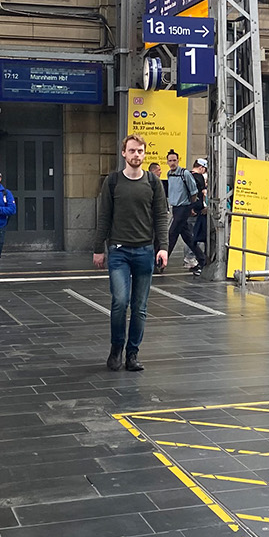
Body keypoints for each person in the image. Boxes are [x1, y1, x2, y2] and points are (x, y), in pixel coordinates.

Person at [93, 133, 168, 372]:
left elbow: (161, 216)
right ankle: (116, 348)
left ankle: (132, 353)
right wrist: (98, 248)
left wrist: (163, 247)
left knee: (140, 307)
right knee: (120, 301)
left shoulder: (153, 182)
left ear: (144, 154)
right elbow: (104, 216)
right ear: (124, 153)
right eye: (132, 150)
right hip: (119, 252)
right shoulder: (113, 181)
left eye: (140, 151)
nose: (136, 155)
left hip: (145, 251)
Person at [164, 149, 206, 275]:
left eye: (174, 160)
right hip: (176, 207)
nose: (172, 163)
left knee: (172, 234)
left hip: (183, 207)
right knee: (187, 237)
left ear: (178, 160)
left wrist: (190, 206)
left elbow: (193, 191)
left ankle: (161, 262)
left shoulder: (185, 174)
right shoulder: (169, 174)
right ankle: (202, 259)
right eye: (170, 160)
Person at [190, 158, 210, 270]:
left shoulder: (188, 175)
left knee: (188, 234)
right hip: (197, 209)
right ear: (201, 167)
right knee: (196, 235)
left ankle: (194, 258)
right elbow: (201, 194)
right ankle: (197, 258)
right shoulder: (199, 177)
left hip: (186, 208)